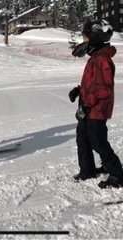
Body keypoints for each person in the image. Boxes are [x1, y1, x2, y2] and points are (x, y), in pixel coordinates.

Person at [69, 19, 123, 189]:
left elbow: (104, 90)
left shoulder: (103, 60)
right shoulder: (96, 58)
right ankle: (87, 170)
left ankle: (117, 174)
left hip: (96, 110)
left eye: (86, 37)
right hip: (89, 107)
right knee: (83, 139)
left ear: (95, 37)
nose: (84, 41)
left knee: (98, 142)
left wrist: (86, 105)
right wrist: (78, 90)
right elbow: (93, 83)